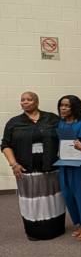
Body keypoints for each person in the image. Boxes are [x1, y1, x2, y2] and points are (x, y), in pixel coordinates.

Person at [1, 92, 64, 240]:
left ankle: (55, 230)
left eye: (29, 99)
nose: (25, 102)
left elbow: (67, 137)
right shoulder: (14, 122)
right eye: (22, 100)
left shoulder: (51, 118)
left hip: (50, 168)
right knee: (32, 202)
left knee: (52, 200)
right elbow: (5, 145)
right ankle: (34, 232)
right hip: (26, 169)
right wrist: (13, 164)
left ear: (36, 101)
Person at [57, 95, 81, 241]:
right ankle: (79, 223)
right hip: (65, 162)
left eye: (67, 105)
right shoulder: (60, 123)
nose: (63, 108)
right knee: (67, 194)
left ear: (75, 107)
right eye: (61, 105)